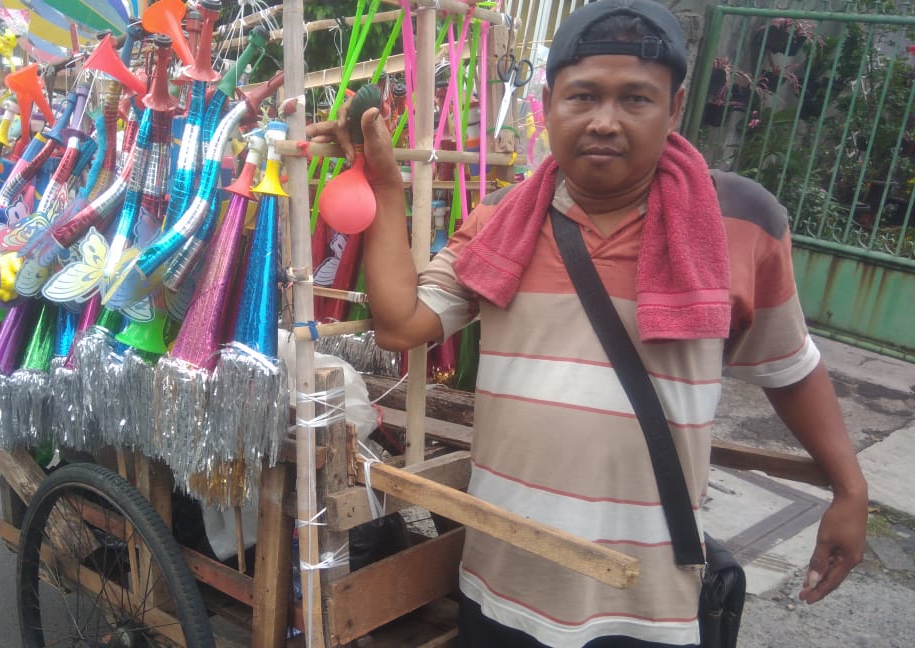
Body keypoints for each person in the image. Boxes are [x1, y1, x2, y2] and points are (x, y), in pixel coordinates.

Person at [307, 1, 868, 646]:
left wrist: (850, 489)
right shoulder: (501, 223)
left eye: (635, 98)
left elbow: (789, 367)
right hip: (506, 579)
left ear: (675, 108)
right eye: (584, 96)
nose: (605, 121)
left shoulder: (736, 222)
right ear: (548, 104)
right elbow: (402, 324)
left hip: (649, 596)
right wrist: (385, 188)